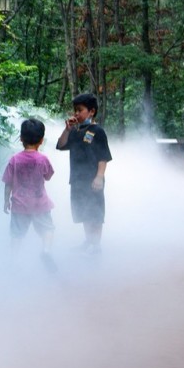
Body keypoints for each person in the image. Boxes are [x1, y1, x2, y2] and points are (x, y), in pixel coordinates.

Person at [56, 93, 112, 255]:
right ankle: (89, 241)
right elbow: (61, 145)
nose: (76, 114)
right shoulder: (74, 131)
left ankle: (96, 246)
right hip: (77, 180)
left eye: (80, 110)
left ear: (91, 111)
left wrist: (99, 177)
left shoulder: (98, 131)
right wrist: (67, 129)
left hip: (93, 180)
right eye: (75, 110)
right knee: (83, 212)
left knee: (95, 213)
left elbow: (103, 157)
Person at [2, 118, 57, 272]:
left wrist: (6, 201)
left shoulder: (14, 160)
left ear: (21, 139)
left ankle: (13, 261)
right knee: (48, 228)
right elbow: (48, 176)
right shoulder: (42, 159)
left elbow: (8, 182)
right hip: (40, 204)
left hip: (19, 205)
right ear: (41, 140)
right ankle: (46, 250)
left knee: (17, 234)